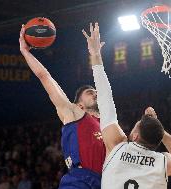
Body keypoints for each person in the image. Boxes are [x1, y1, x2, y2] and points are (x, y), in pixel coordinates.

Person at [82, 22, 171, 189]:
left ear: (134, 136)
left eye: (135, 127)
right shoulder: (163, 162)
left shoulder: (117, 145)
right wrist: (161, 132)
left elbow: (105, 101)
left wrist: (96, 55)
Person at [19, 25, 106, 189]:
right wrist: (26, 52)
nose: (95, 93)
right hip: (80, 181)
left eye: (95, 91)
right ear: (79, 105)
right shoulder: (74, 114)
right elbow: (45, 77)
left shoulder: (109, 126)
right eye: (89, 92)